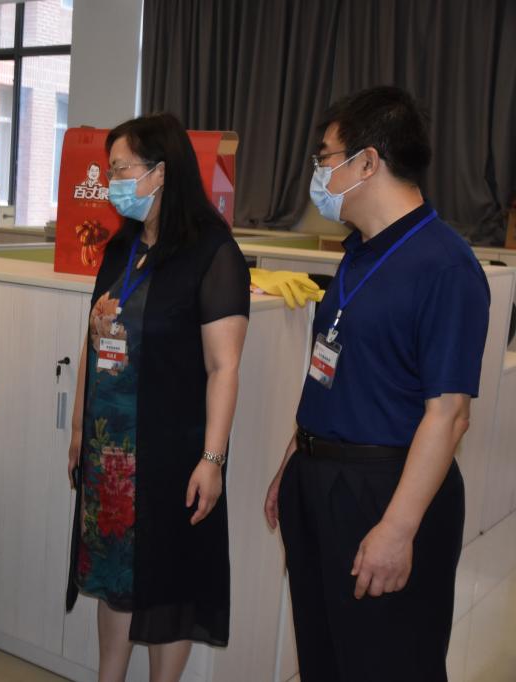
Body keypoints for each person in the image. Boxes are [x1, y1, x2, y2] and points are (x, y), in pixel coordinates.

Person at [263, 86, 490, 681]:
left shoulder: (445, 265)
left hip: (386, 489)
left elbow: (449, 415)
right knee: (324, 657)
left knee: (388, 663)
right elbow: (334, 371)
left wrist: (397, 528)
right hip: (321, 479)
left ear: (367, 162)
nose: (318, 171)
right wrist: (297, 454)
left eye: (325, 156)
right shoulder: (360, 253)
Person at [65, 113, 250, 681]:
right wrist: (79, 429)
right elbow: (94, 341)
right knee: (114, 579)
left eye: (121, 169)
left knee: (168, 582)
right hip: (109, 451)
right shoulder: (121, 248)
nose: (112, 181)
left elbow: (224, 367)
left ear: (161, 172)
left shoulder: (212, 253)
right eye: (109, 170)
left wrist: (213, 459)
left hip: (170, 454)